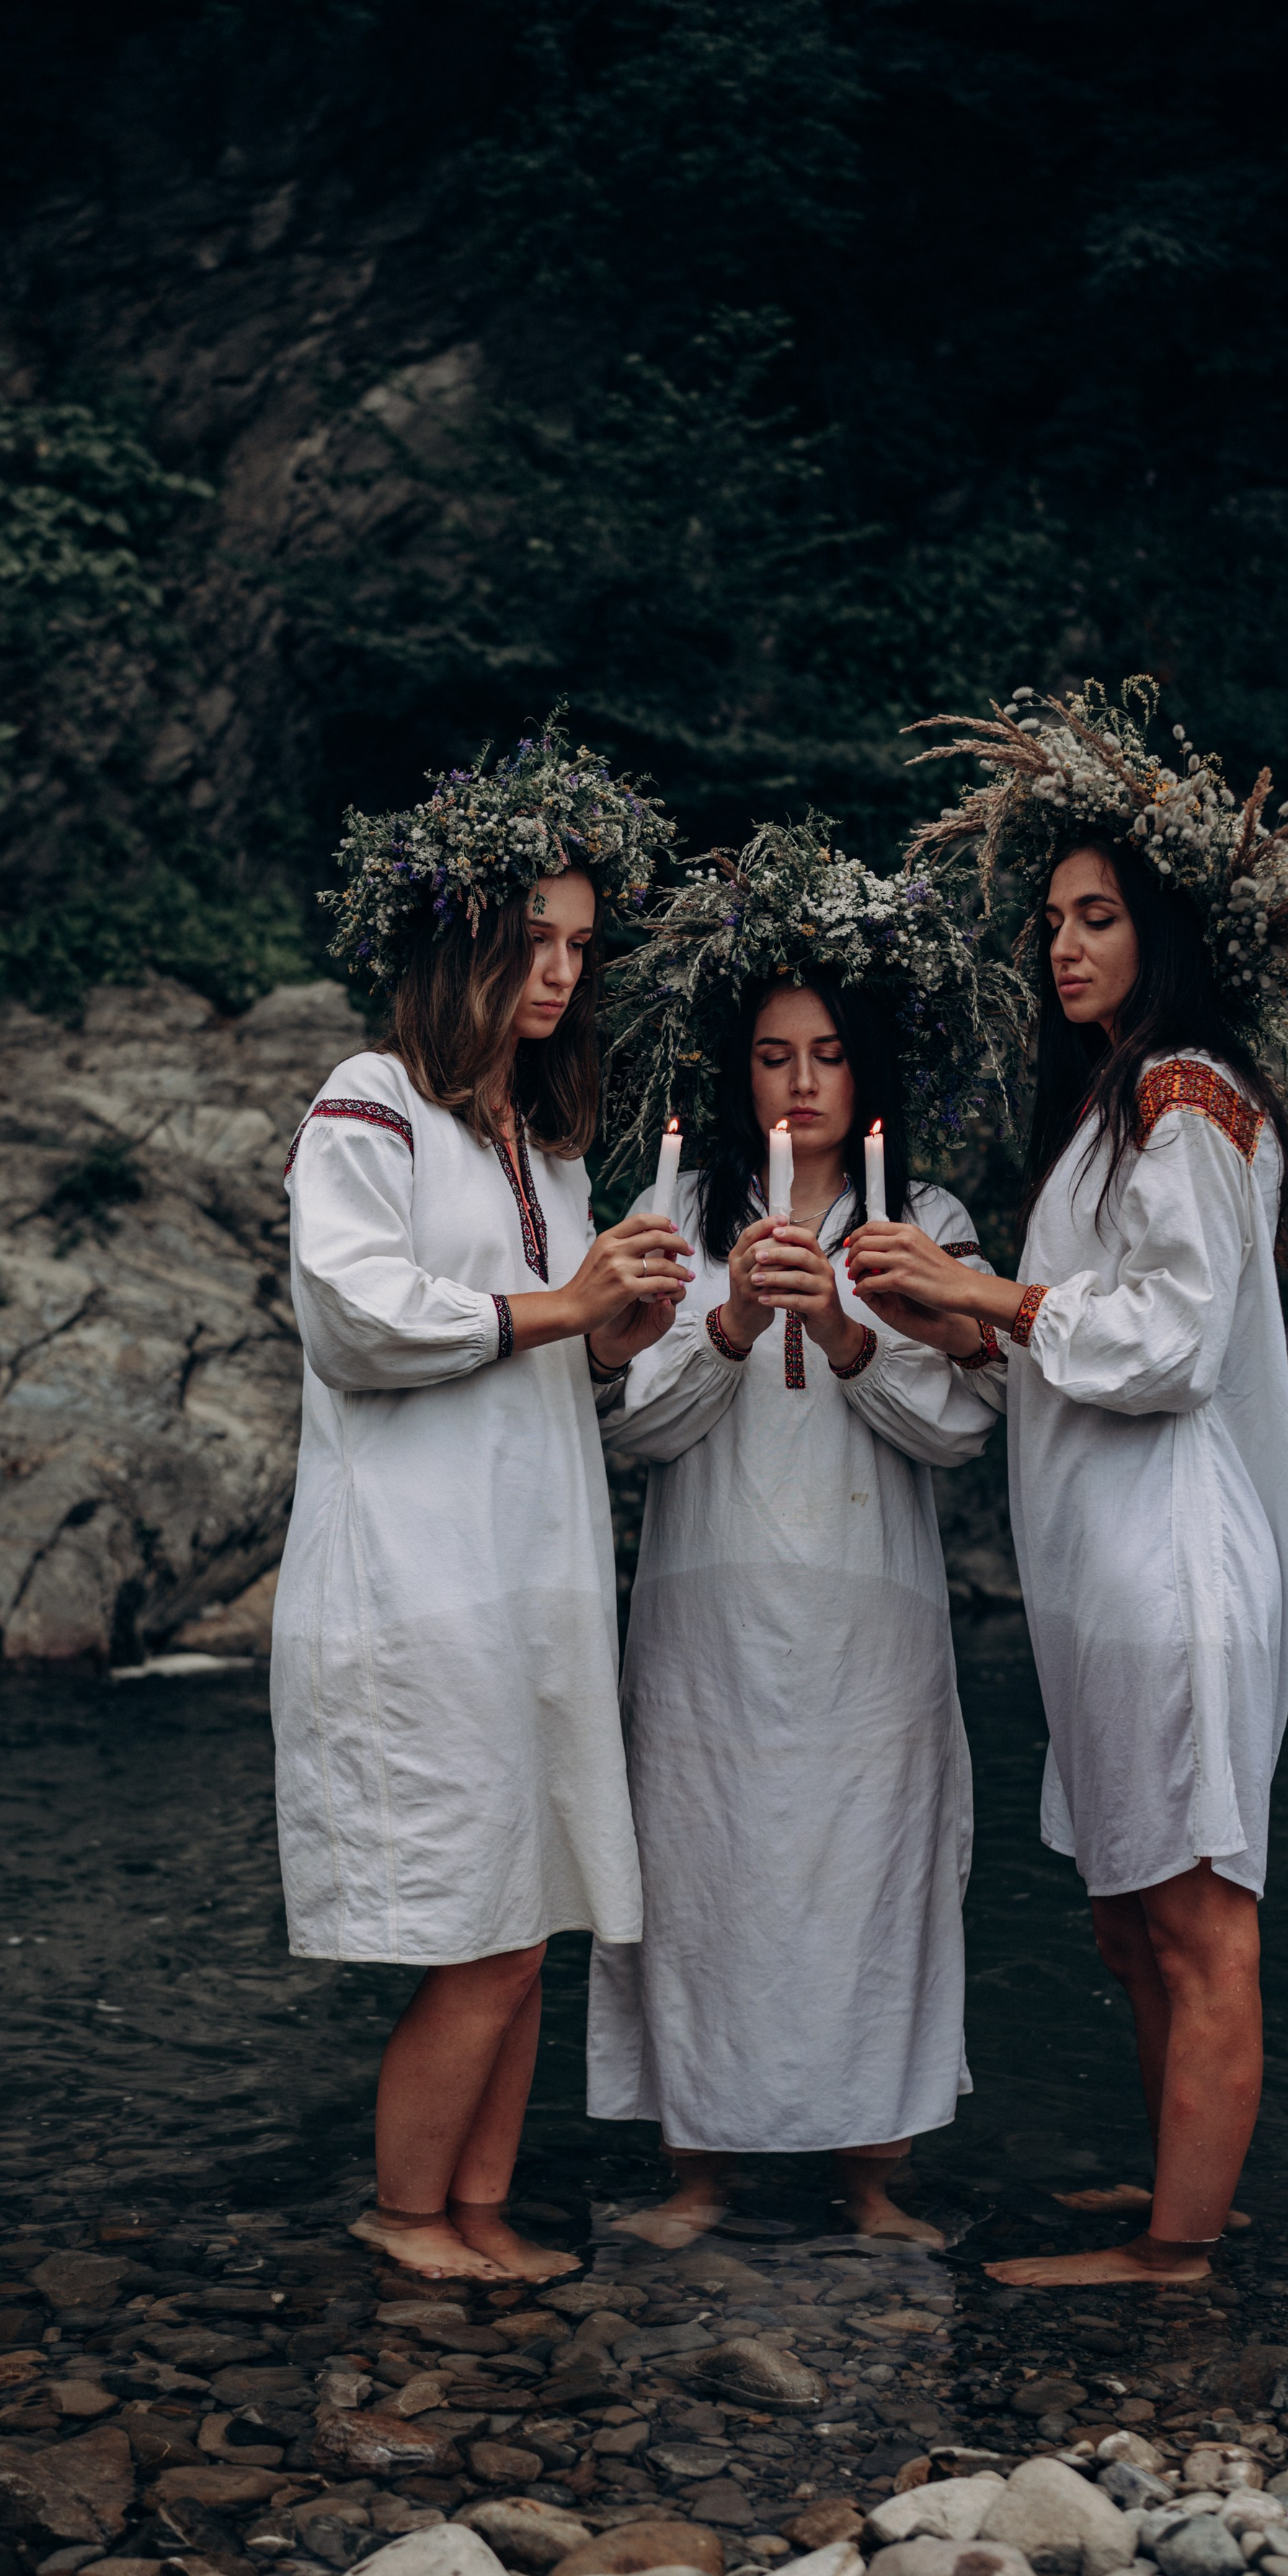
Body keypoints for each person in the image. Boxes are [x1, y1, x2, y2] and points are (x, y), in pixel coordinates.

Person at [847, 680, 1288, 2288]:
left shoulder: (1186, 1091)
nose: (1063, 944)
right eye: (1054, 919)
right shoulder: (1105, 1108)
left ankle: (1178, 2255)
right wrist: (952, 1310)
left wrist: (991, 1294)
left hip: (1174, 1564)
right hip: (1100, 1567)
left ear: (1160, 926)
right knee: (1124, 1910)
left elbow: (1175, 1339)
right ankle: (1169, 2199)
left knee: (1198, 1912)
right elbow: (1085, 1341)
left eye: (1097, 915)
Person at [273, 725, 690, 2283]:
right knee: (475, 1923)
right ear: (465, 941)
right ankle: (402, 2213)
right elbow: (353, 1315)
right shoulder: (369, 1101)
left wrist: (608, 1334)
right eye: (534, 941)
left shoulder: (546, 1143)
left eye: (582, 945)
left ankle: (480, 2210)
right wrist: (554, 1302)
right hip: (416, 1578)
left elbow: (535, 1333)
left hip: (537, 1568)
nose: (563, 971)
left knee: (534, 1906)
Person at [587, 820, 1027, 2243]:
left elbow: (959, 1428)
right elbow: (620, 1424)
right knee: (703, 1867)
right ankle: (696, 2170)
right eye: (773, 1054)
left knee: (868, 1874)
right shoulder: (671, 1212)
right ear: (739, 1072)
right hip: (706, 1616)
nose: (798, 1078)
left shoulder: (928, 1220)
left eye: (825, 1052)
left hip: (866, 1618)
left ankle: (871, 2174)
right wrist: (721, 1323)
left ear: (863, 1069)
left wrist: (843, 1325)